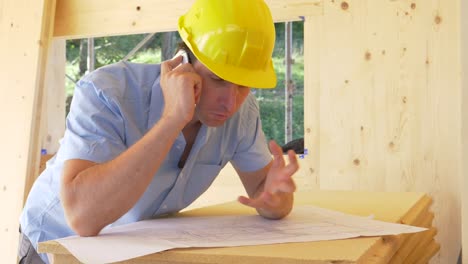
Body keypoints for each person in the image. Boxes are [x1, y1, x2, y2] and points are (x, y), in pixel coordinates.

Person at [18, 0, 299, 263]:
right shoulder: (106, 92)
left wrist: (277, 199)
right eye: (218, 79)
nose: (231, 102)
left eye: (243, 85)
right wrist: (171, 120)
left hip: (127, 247)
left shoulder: (244, 112)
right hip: (54, 244)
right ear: (183, 62)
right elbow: (82, 218)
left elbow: (264, 193)